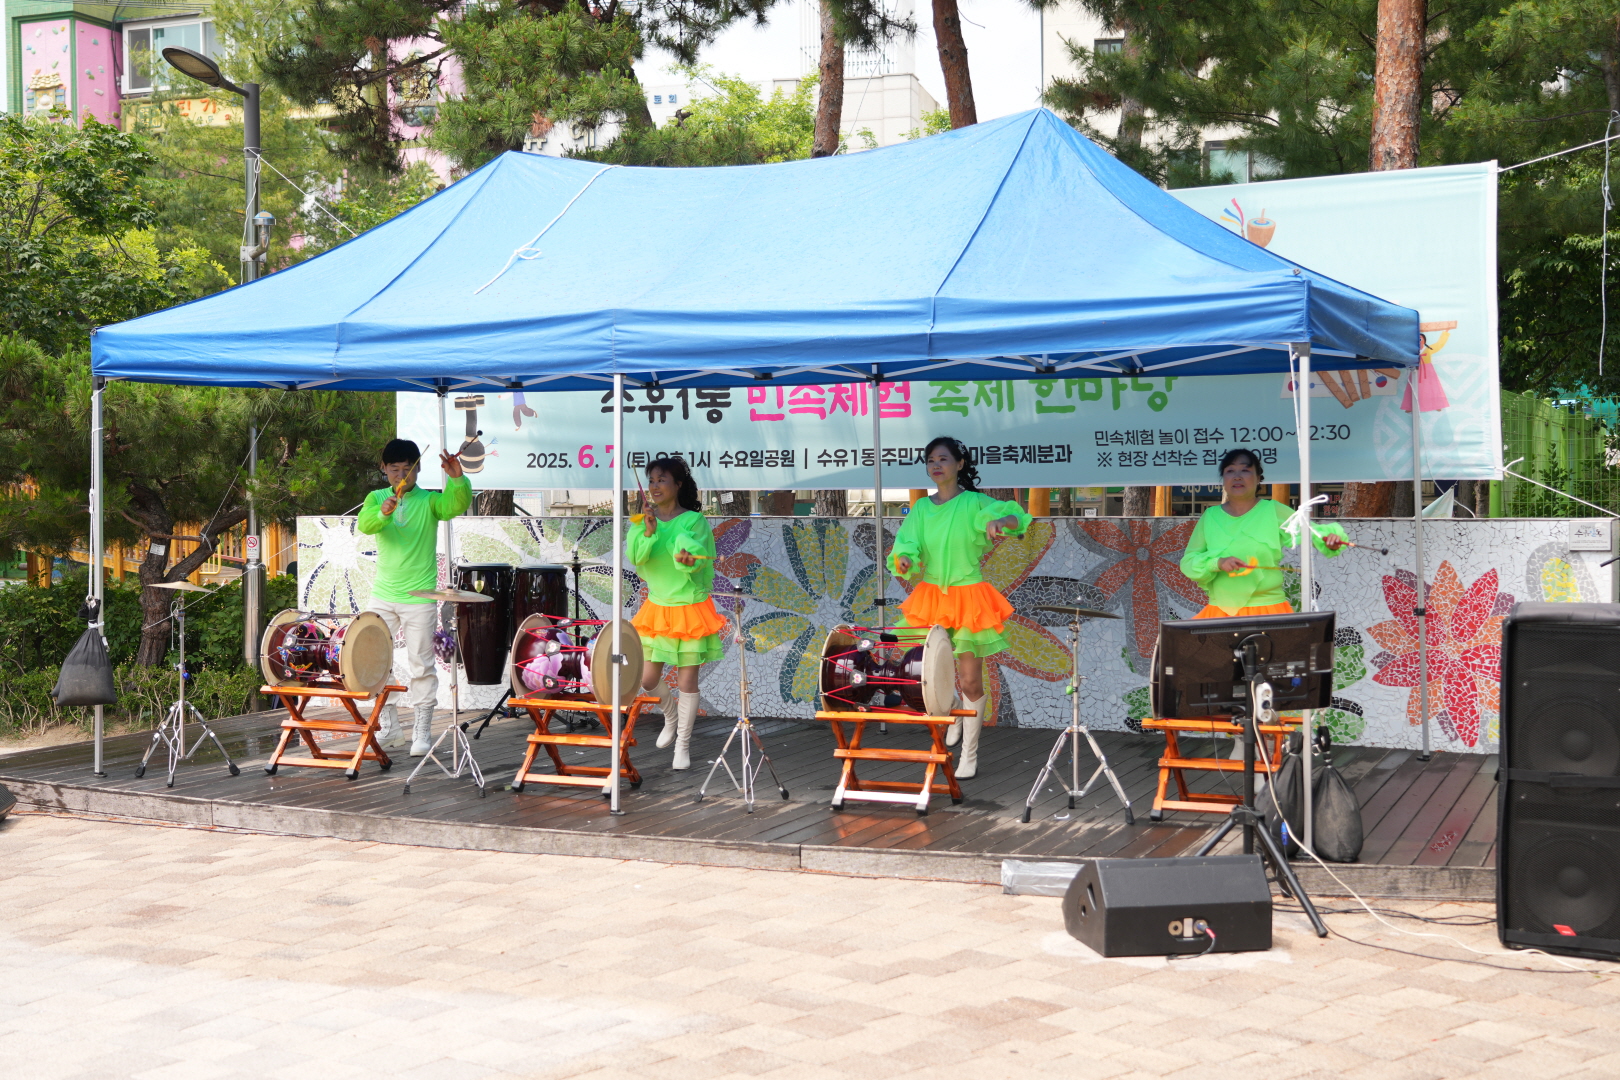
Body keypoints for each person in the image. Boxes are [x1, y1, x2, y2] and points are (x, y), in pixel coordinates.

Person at [889, 436, 1031, 779]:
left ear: (959, 464)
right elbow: (906, 545)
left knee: (969, 680)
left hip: (969, 596)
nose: (936, 465)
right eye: (930, 460)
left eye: (943, 459)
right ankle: (951, 708)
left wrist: (1002, 523)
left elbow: (1015, 517)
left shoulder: (974, 503)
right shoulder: (921, 509)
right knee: (920, 671)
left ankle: (969, 753)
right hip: (930, 596)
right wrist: (905, 558)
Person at [356, 439, 471, 755]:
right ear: (384, 469)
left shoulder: (430, 500)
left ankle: (422, 731)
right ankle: (390, 727)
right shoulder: (376, 497)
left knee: (421, 664)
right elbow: (365, 525)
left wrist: (457, 478)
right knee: (372, 659)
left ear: (418, 469)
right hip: (382, 595)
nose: (401, 475)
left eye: (408, 469)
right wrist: (383, 512)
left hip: (419, 596)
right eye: (394, 469)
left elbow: (455, 505)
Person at [628, 456, 726, 770]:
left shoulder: (693, 520)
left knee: (687, 681)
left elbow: (694, 553)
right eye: (651, 480)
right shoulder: (641, 521)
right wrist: (648, 532)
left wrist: (688, 559)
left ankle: (682, 745)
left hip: (690, 607)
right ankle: (670, 716)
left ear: (678, 484)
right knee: (646, 678)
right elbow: (636, 557)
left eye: (662, 480)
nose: (655, 486)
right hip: (657, 607)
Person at [1179, 448, 1349, 620]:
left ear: (1258, 478)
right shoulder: (1210, 516)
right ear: (1223, 478)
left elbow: (1311, 532)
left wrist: (1330, 540)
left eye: (1245, 470)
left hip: (1269, 609)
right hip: (1221, 611)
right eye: (1230, 471)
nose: (1237, 476)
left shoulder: (1273, 510)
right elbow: (1189, 561)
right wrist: (1217, 562)